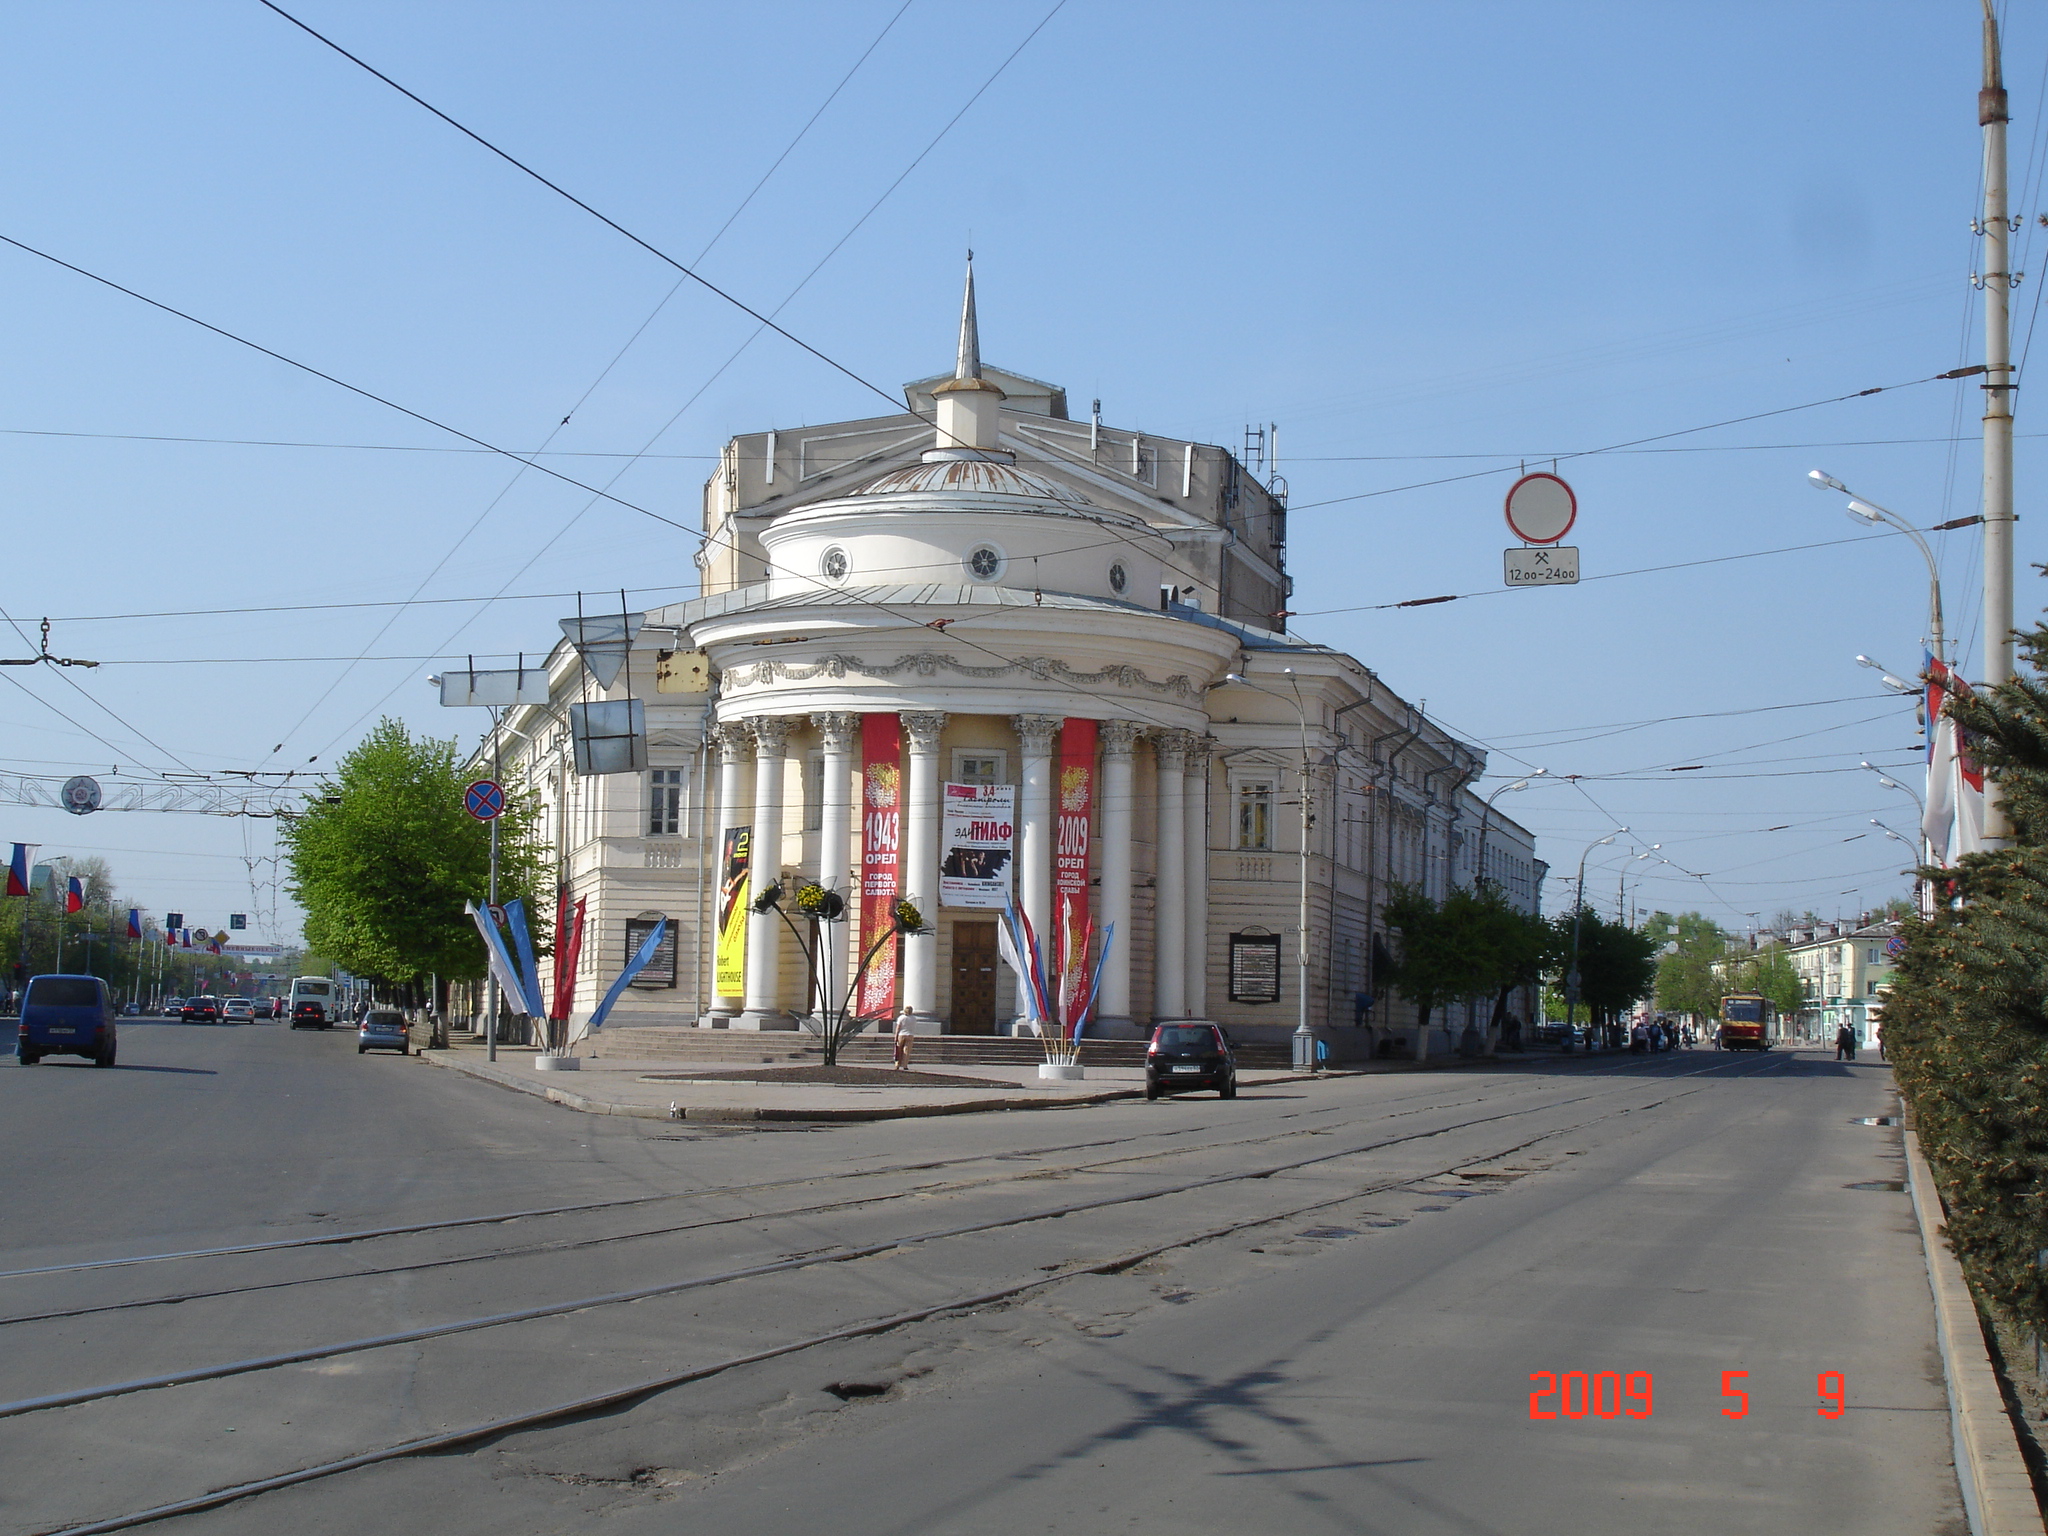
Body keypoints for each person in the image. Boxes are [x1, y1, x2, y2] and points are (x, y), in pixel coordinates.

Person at [893, 1006, 916, 1072]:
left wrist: (896, 1036)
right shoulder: (914, 1018)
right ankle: (905, 1065)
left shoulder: (901, 1018)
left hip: (901, 1034)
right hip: (910, 1035)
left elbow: (898, 1028)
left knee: (899, 1050)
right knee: (906, 1051)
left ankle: (897, 1064)